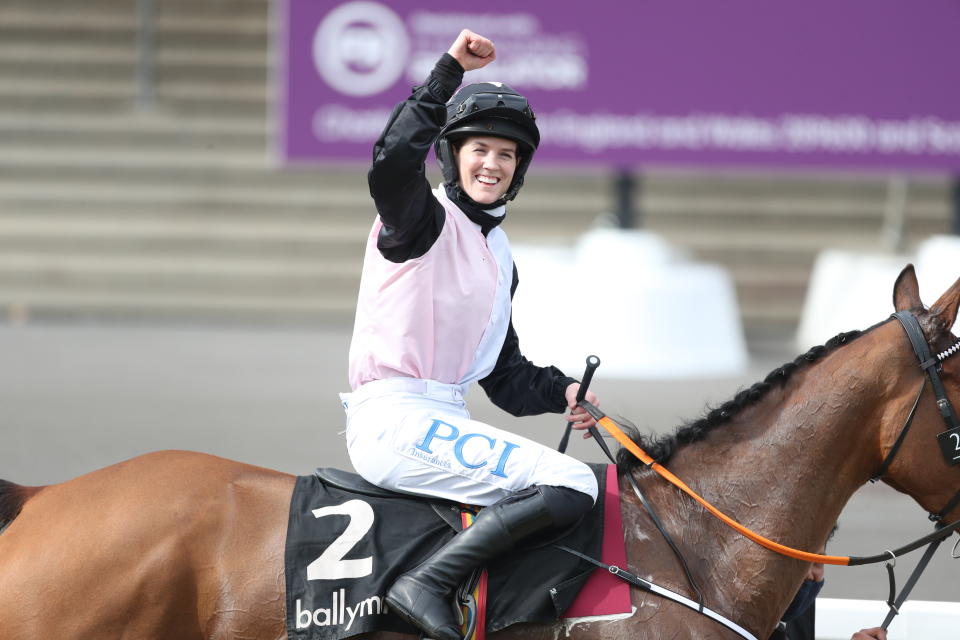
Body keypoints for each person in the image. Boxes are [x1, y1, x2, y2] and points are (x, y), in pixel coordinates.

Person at [339, 28, 600, 640]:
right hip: (395, 423)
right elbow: (392, 159)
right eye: (480, 148)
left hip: (443, 420)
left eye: (507, 155)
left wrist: (561, 391)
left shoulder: (501, 254)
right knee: (572, 481)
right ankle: (424, 584)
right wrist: (448, 72)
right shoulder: (420, 219)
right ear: (453, 155)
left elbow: (505, 378)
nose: (493, 164)